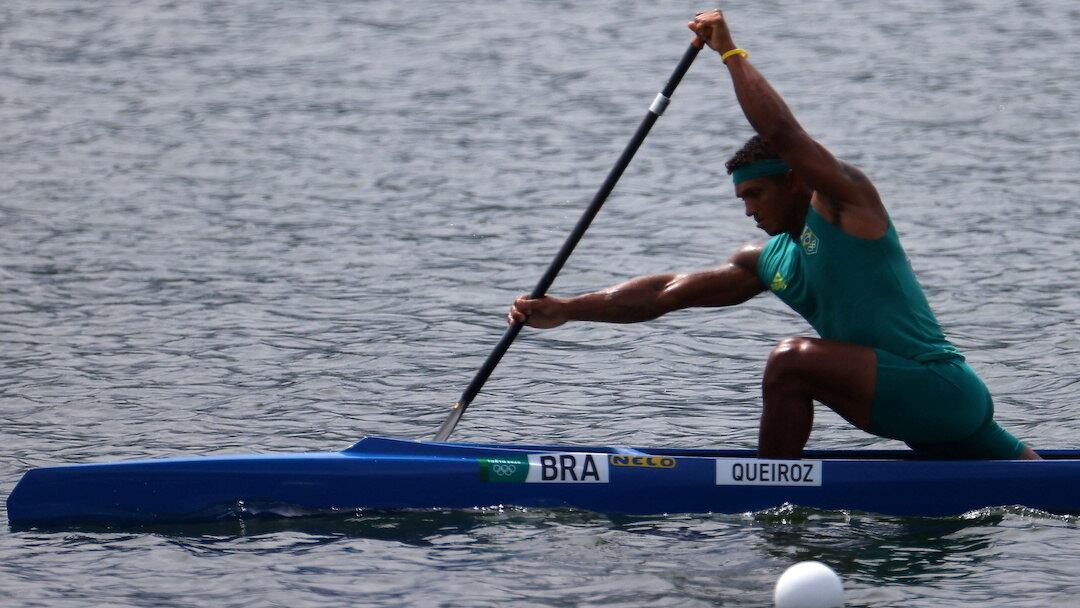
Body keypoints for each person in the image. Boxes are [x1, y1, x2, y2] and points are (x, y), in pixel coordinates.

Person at [507, 9, 1039, 460]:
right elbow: (663, 294)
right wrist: (569, 308)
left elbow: (783, 134)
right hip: (926, 411)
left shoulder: (846, 206)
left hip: (939, 390)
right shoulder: (769, 261)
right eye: (741, 200)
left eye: (754, 196)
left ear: (791, 179)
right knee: (1041, 484)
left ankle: (767, 491)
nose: (747, 212)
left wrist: (730, 55)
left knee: (790, 361)